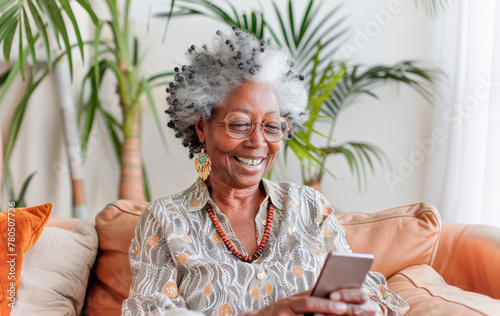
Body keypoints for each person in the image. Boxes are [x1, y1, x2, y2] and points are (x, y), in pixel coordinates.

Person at [122, 27, 409, 316]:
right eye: (239, 124)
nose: (258, 142)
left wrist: (366, 305)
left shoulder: (309, 206)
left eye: (272, 126)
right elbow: (147, 311)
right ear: (201, 127)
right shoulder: (165, 219)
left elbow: (370, 291)